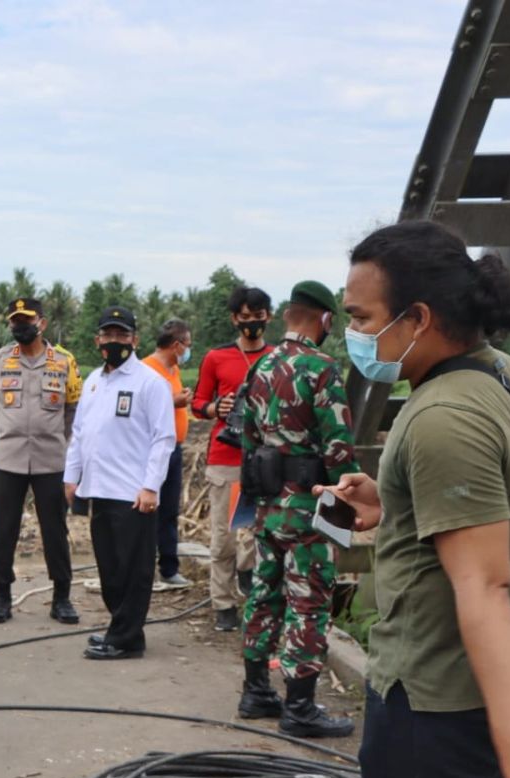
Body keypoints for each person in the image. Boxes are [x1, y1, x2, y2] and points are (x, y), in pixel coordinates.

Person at [319, 221, 510, 778]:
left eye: (362, 318)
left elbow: (485, 589)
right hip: (463, 699)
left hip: (437, 709)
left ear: (419, 319)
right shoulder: (497, 374)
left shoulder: (441, 418)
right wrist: (397, 502)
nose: (353, 334)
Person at [237, 280, 357, 738]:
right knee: (308, 603)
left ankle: (255, 692)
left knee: (263, 594)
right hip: (310, 510)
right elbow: (340, 449)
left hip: (268, 507)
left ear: (287, 315)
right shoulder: (322, 368)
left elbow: (248, 440)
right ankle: (300, 708)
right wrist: (354, 496)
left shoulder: (261, 364)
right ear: (324, 319)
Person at [65, 305, 175, 660]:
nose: (115, 341)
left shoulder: (150, 383)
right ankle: (123, 630)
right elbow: (80, 432)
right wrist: (72, 476)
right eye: (109, 335)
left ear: (135, 339)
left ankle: (125, 637)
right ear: (98, 340)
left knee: (135, 568)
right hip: (98, 488)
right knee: (109, 567)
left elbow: (163, 439)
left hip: (133, 493)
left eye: (122, 335)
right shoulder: (94, 381)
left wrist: (150, 487)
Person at [0, 297, 83, 624]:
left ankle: (61, 598)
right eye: (15, 321)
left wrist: (62, 443)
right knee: (3, 529)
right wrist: (0, 437)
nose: (20, 326)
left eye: (27, 320)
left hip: (51, 460)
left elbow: (72, 410)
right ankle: (1, 597)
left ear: (42, 323)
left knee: (55, 530)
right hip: (7, 460)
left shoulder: (64, 361)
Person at [192, 286, 274, 631]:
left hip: (266, 457)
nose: (251, 323)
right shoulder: (216, 357)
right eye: (245, 317)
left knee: (258, 534)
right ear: (234, 319)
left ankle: (248, 575)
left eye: (258, 317)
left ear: (268, 317)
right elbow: (198, 404)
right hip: (226, 457)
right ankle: (223, 604)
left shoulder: (278, 357)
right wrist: (217, 407)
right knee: (223, 537)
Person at [142, 319, 194, 588]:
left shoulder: (172, 370)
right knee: (149, 509)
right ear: (176, 345)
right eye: (187, 345)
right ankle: (144, 569)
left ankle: (169, 567)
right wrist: (175, 401)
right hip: (152, 450)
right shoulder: (145, 370)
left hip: (174, 448)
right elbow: (144, 407)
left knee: (170, 511)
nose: (188, 351)